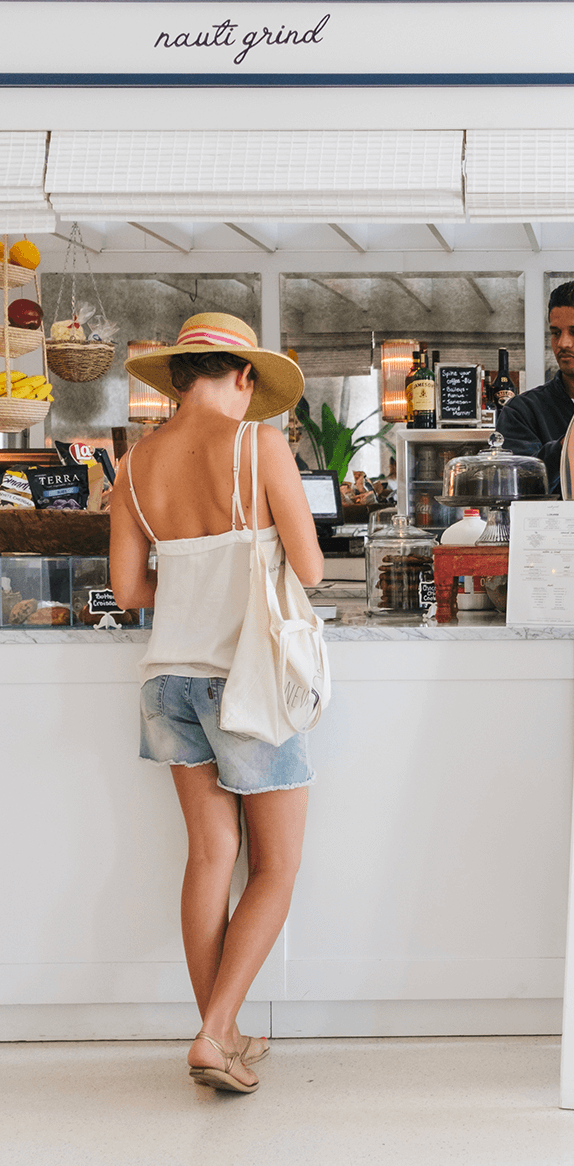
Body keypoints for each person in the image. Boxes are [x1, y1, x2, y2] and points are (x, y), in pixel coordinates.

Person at [110, 313, 324, 1094]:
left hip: (167, 681)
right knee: (276, 865)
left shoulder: (133, 466)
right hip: (248, 683)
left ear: (175, 378)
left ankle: (222, 1032)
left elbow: (132, 590)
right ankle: (211, 1034)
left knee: (210, 856)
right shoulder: (259, 444)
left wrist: (195, 581)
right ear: (242, 379)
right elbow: (310, 566)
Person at [497, 279, 574, 494]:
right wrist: (571, 442)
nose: (563, 343)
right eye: (555, 333)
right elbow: (517, 488)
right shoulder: (522, 412)